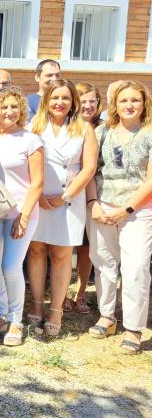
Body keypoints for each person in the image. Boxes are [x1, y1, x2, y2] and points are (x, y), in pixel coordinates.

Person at [27, 80, 97, 337]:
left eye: (65, 98)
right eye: (55, 97)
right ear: (46, 100)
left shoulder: (84, 129)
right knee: (35, 251)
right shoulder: (34, 126)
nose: (60, 103)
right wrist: (36, 197)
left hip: (69, 199)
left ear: (73, 102)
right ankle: (36, 303)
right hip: (38, 199)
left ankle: (55, 309)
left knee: (61, 255)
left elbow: (88, 168)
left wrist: (65, 196)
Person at [86, 80, 152, 355]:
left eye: (135, 100)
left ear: (144, 103)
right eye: (124, 100)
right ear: (115, 104)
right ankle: (106, 316)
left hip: (137, 211)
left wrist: (125, 210)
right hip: (102, 206)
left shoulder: (149, 134)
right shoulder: (101, 132)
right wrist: (93, 203)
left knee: (136, 268)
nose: (129, 105)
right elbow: (90, 170)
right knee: (103, 264)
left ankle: (134, 328)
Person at [0, 87, 44, 346]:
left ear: (21, 110)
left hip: (21, 211)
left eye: (14, 106)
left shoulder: (31, 140)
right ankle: (1, 314)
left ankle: (16, 320)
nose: (9, 111)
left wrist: (25, 216)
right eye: (3, 107)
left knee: (10, 266)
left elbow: (38, 182)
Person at [66, 82, 104, 314]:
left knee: (86, 248)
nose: (88, 105)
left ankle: (80, 294)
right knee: (66, 247)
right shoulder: (68, 126)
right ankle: (62, 295)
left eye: (93, 101)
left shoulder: (105, 127)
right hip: (69, 196)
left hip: (95, 195)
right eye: (84, 100)